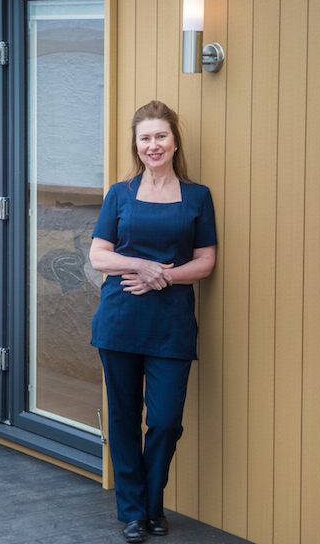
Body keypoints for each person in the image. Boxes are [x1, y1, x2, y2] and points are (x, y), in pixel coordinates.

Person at [89, 100, 217, 543]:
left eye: (161, 135)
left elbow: (205, 262)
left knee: (164, 421)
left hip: (172, 324)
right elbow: (98, 254)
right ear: (136, 145)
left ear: (175, 140)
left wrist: (161, 277)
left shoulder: (197, 197)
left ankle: (151, 502)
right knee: (124, 418)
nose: (153, 145)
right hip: (120, 321)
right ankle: (134, 512)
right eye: (145, 138)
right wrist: (141, 266)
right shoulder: (119, 194)